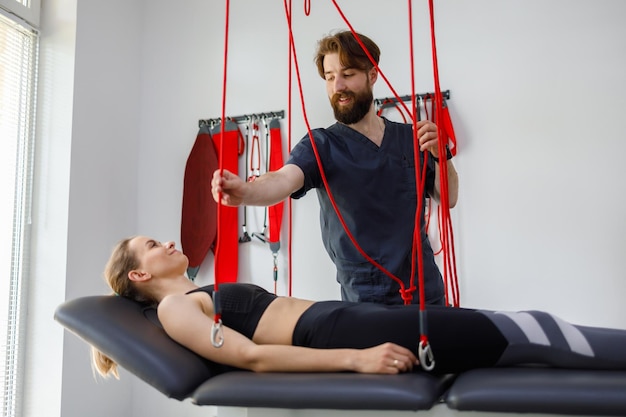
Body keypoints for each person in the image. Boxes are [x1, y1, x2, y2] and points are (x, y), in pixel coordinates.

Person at [93, 236, 626, 378]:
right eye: (152, 245)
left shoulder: (192, 294)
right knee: (527, 333)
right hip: (335, 333)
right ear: (140, 274)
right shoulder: (173, 310)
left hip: (342, 319)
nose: (166, 243)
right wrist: (358, 358)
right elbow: (250, 357)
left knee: (522, 333)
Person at [211, 30, 459, 306]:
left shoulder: (410, 138)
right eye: (329, 78)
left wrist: (442, 156)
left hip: (427, 294)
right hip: (365, 302)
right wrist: (246, 192)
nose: (337, 85)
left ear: (372, 75)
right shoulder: (321, 145)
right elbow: (282, 180)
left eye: (348, 74)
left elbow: (448, 198)